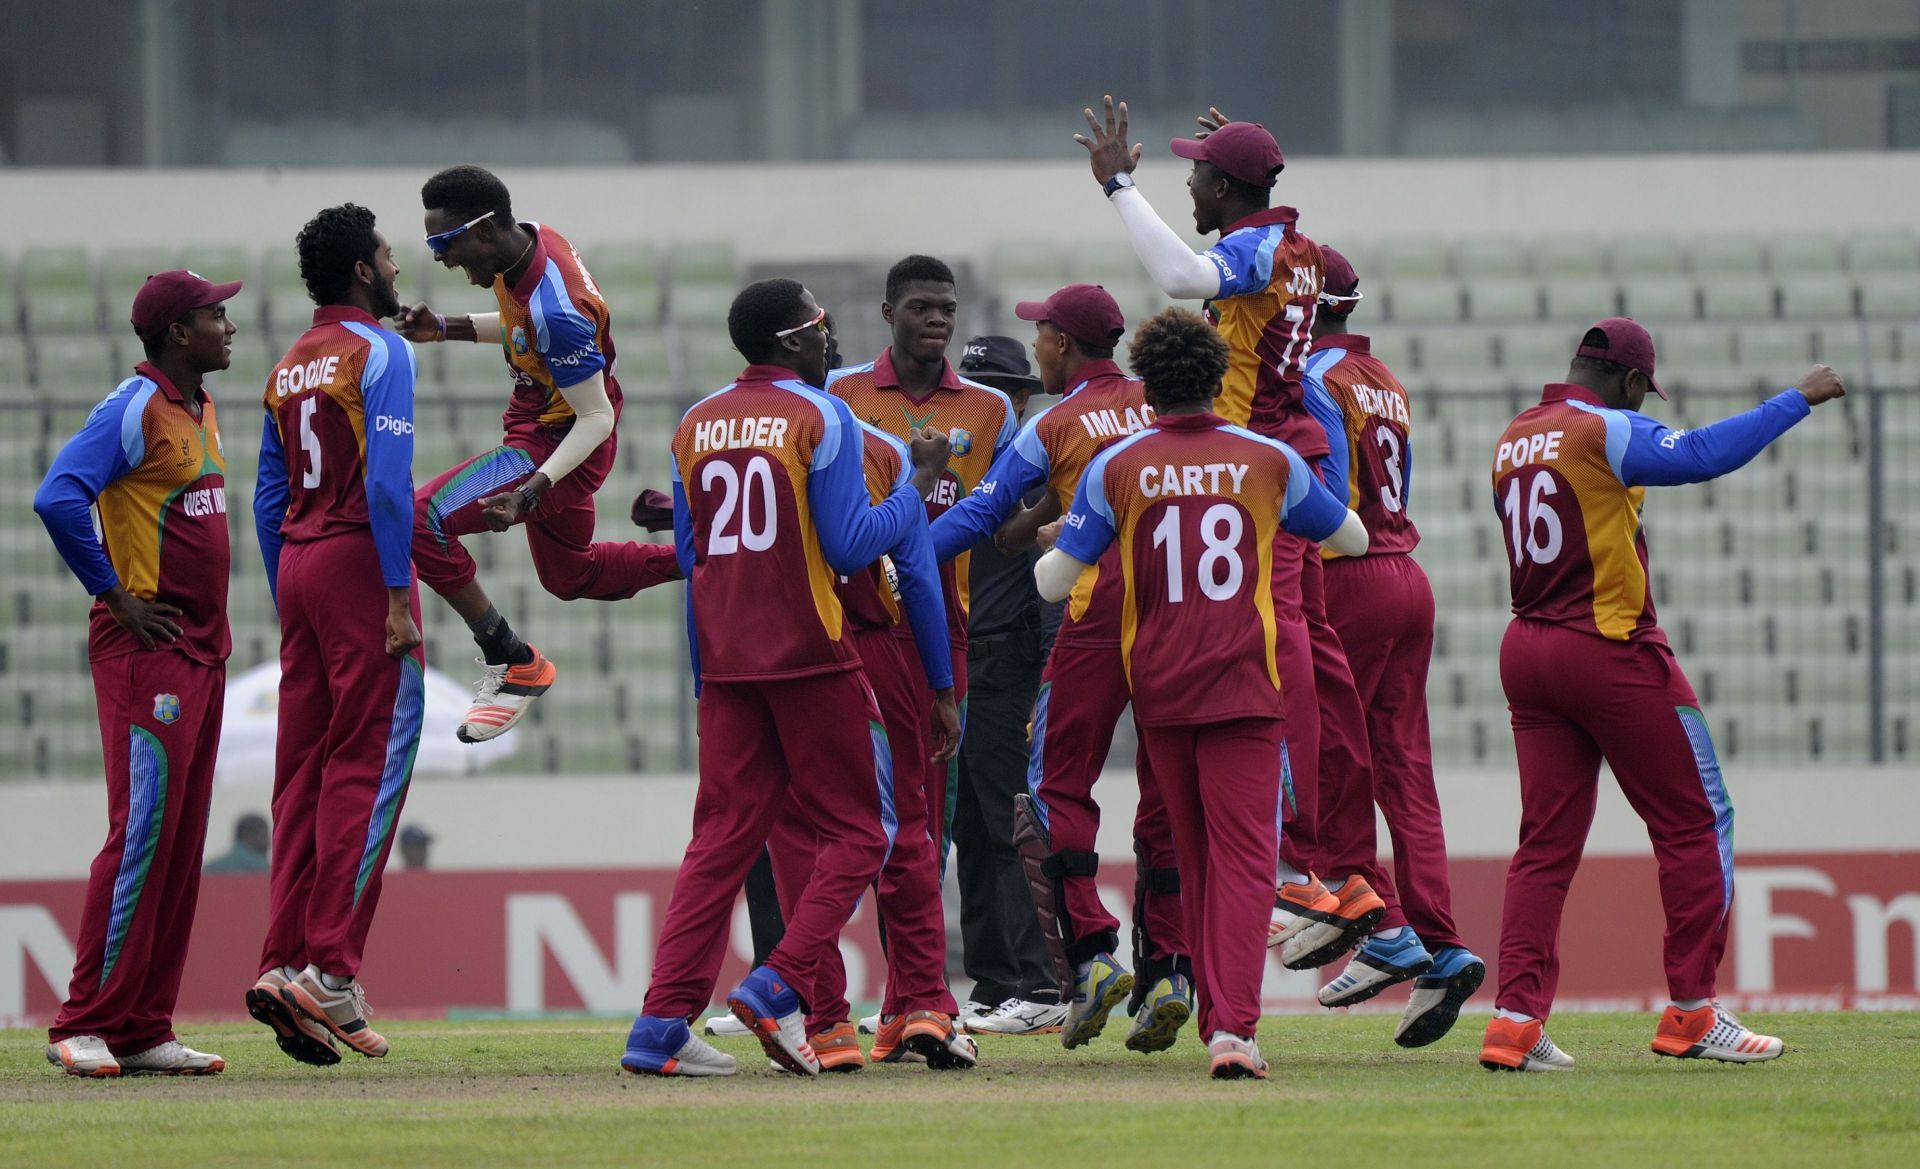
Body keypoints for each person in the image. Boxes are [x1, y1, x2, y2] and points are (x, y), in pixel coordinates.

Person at [1479, 319, 1844, 1072]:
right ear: (1634, 384)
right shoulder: (1604, 427)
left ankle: (1513, 1020)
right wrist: (1797, 399)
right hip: (1608, 646)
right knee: (1695, 818)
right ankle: (1692, 1010)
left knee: (1544, 844)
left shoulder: (1515, 433)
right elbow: (1704, 455)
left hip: (1527, 648)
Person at [1074, 97, 1385, 966]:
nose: (1188, 183)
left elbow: (1181, 279)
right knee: (1308, 656)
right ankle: (1329, 866)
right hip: (1287, 462)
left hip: (1251, 476)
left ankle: (1295, 865)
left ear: (1225, 184)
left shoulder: (1254, 248)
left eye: (1197, 173)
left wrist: (1120, 188)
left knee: (1270, 652)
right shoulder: (1303, 250)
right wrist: (1236, 149)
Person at [620, 279, 953, 1079]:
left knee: (721, 839)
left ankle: (661, 1022)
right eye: (821, 326)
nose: (831, 338)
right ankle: (778, 982)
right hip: (811, 652)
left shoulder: (695, 422)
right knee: (861, 832)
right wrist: (909, 495)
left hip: (729, 661)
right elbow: (847, 548)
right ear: (794, 341)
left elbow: (696, 558)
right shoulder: (825, 415)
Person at [1034, 307, 1367, 1080]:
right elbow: (1348, 536)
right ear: (1221, 381)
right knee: (1246, 861)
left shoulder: (1116, 465)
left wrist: (1066, 537)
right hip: (1247, 682)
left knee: (1197, 855)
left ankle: (1221, 1017)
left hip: (1159, 687)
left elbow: (1055, 583)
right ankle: (1234, 1030)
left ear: (1146, 388)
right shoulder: (1267, 458)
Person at [930, 290, 1191, 1053]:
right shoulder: (1163, 398)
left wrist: (903, 552)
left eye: (1038, 333)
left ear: (1060, 343)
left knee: (1052, 789)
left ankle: (1092, 956)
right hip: (1178, 614)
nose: (1035, 348)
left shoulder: (1052, 423)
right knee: (1168, 792)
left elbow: (983, 514)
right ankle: (1170, 970)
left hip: (1095, 611)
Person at [33, 269, 242, 1077]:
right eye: (212, 315)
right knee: (141, 831)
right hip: (144, 648)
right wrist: (115, 596)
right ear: (175, 333)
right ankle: (82, 1020)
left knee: (182, 841)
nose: (228, 325)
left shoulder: (201, 407)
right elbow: (58, 498)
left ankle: (144, 1023)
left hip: (201, 650)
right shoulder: (132, 405)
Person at [393, 164, 678, 744]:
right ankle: (707, 557)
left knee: (420, 520)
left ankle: (511, 658)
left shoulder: (558, 309)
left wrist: (530, 489)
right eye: (432, 244)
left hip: (553, 447)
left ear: (486, 231)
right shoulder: (530, 243)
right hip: (548, 429)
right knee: (571, 576)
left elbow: (595, 417)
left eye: (446, 243)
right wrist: (444, 328)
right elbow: (523, 329)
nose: (443, 259)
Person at [249, 203, 424, 1067]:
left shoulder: (285, 368)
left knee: (301, 774)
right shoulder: (381, 351)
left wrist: (289, 581)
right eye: (389, 257)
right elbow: (392, 487)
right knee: (371, 760)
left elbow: (265, 497)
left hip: (300, 566)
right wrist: (396, 592)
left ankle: (283, 960)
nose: (398, 269)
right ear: (364, 269)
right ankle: (332, 971)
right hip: (361, 562)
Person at [1299, 248, 1486, 1047]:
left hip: (1349, 575)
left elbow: (1330, 499)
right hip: (1408, 572)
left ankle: (1380, 924)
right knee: (1406, 772)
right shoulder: (1382, 378)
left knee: (1330, 753)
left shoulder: (1312, 378)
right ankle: (1440, 943)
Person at [764, 416, 973, 1071]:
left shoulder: (730, 439)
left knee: (802, 834)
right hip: (877, 653)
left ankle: (826, 1023)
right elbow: (916, 576)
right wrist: (940, 685)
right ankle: (925, 1007)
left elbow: (704, 560)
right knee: (906, 826)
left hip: (783, 652)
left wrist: (701, 683)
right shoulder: (881, 452)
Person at [828, 256, 1017, 879]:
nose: (937, 320)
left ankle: (916, 969)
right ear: (888, 314)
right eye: (920, 308)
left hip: (944, 624)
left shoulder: (990, 410)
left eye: (947, 310)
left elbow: (1000, 511)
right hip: (862, 622)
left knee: (933, 803)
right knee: (872, 794)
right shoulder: (841, 394)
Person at [942, 334, 1068, 1034]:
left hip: (1006, 663)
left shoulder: (1031, 480)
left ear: (1019, 401)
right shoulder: (975, 483)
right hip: (967, 663)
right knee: (969, 824)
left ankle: (1038, 980)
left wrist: (1045, 671)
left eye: (1001, 393)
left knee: (1005, 820)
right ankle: (994, 982)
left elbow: (1050, 585)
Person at [204, 812, 272, 874]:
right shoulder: (265, 870)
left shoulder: (208, 869)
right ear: (249, 836)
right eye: (264, 835)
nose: (269, 841)